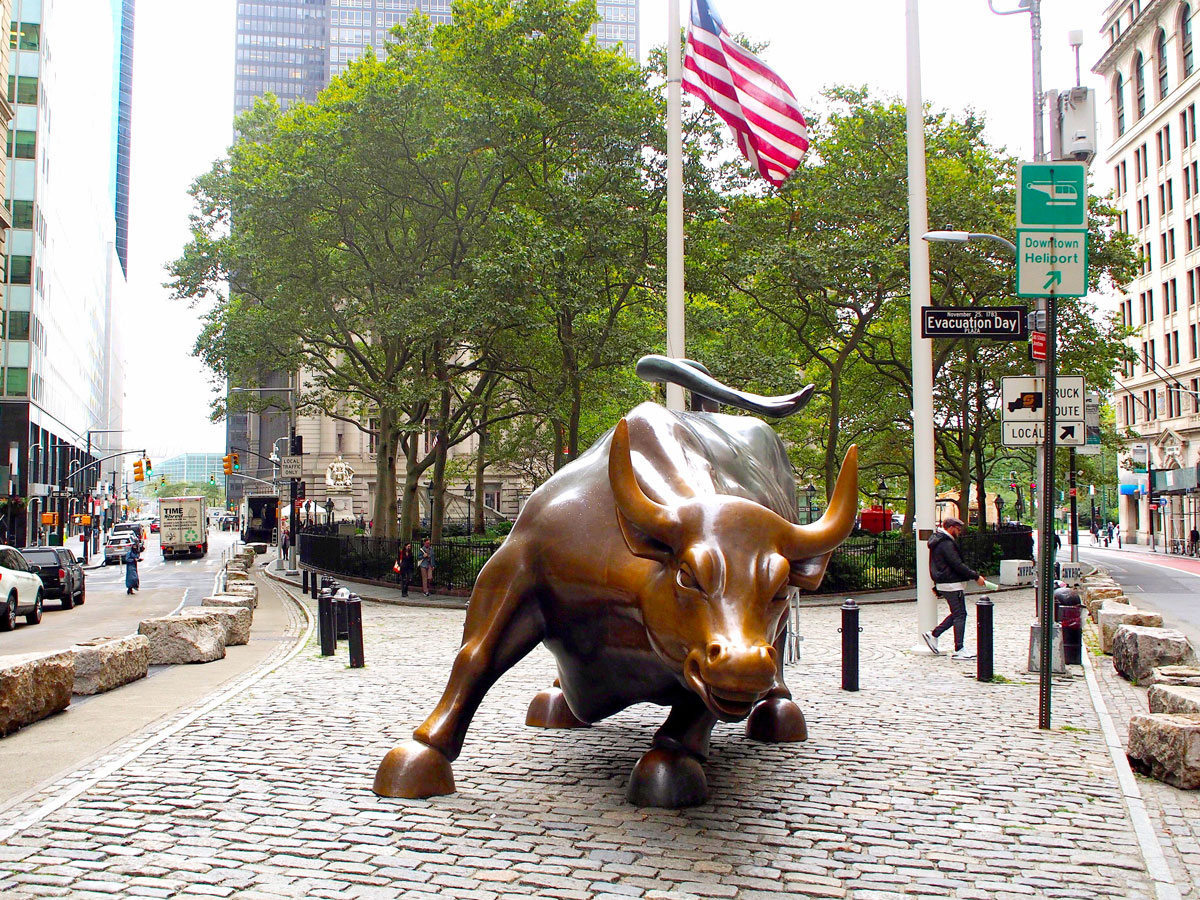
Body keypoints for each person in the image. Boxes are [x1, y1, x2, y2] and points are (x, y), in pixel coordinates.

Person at [922, 516, 985, 660]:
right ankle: (958, 647)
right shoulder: (946, 543)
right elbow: (957, 564)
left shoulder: (939, 542)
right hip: (951, 583)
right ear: (950, 528)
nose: (959, 531)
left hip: (946, 583)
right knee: (960, 614)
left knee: (958, 613)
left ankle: (934, 634)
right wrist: (976, 577)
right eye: (958, 528)